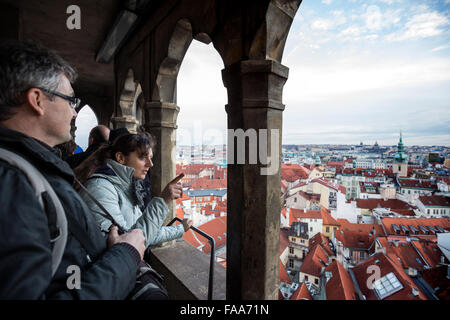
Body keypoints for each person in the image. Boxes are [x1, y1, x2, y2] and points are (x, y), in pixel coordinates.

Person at [0, 40, 146, 299]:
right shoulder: (12, 183)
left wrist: (109, 252)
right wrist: (125, 256)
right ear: (37, 100)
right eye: (70, 101)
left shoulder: (29, 169)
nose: (75, 113)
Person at [74, 132, 192, 247]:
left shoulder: (125, 187)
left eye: (150, 158)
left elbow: (144, 231)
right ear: (121, 158)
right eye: (143, 157)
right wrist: (163, 201)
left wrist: (180, 229)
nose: (150, 164)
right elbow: (131, 242)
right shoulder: (100, 188)